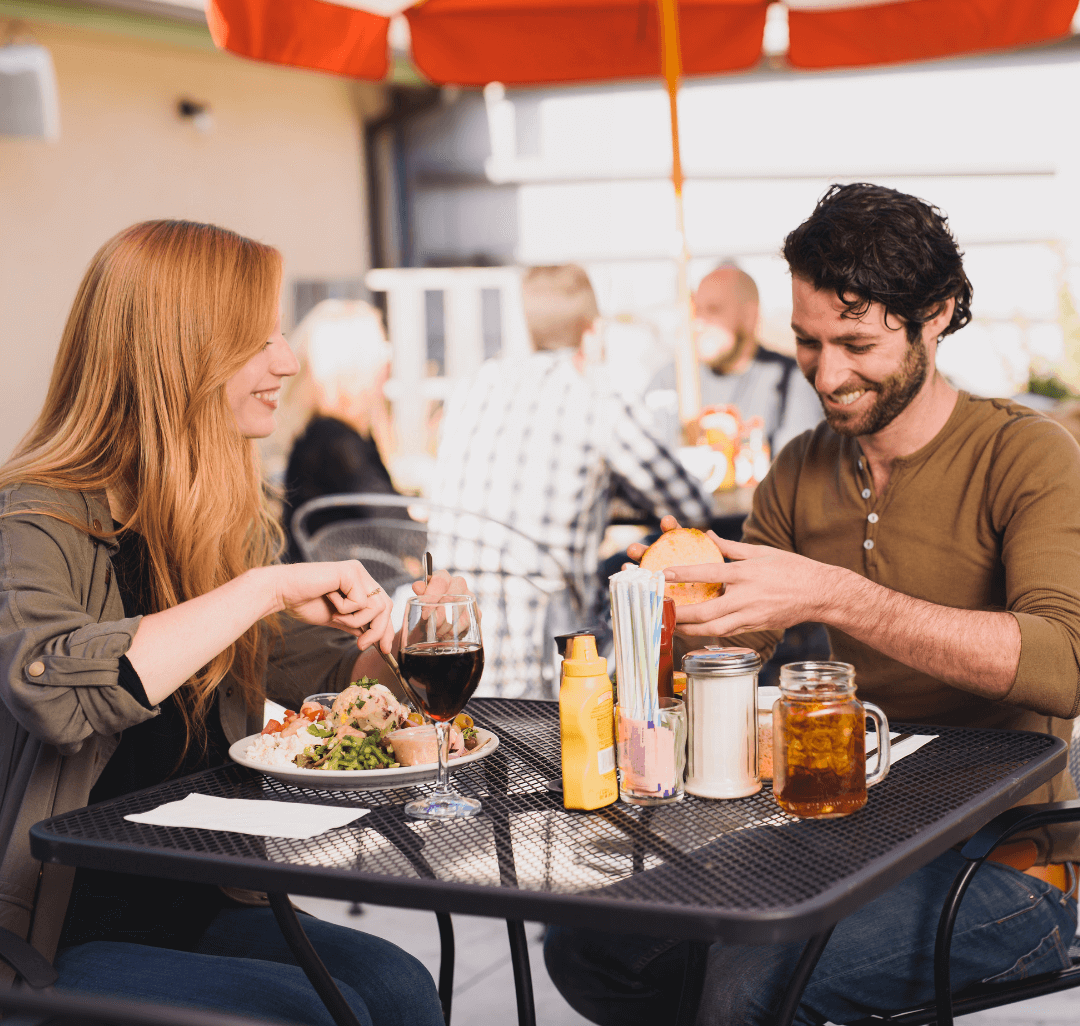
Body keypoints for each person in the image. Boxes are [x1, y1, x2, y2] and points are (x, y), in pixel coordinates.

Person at [545, 184, 1080, 1025]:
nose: (828, 375)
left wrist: (839, 595)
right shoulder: (799, 466)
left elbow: (1065, 664)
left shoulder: (1029, 456)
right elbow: (730, 651)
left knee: (748, 980)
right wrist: (677, 615)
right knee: (593, 943)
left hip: (1008, 860)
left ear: (935, 316)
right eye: (806, 342)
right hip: (839, 832)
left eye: (857, 343)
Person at [0, 220, 454, 1026]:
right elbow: (55, 693)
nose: (286, 360)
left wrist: (404, 644)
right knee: (321, 1013)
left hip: (205, 894)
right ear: (175, 355)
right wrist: (260, 588)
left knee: (401, 991)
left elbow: (320, 679)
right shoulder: (33, 522)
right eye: (257, 338)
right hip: (54, 927)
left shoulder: (214, 522)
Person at [428, 264, 712, 698]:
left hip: (452, 654)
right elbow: (691, 507)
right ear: (591, 330)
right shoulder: (597, 397)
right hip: (545, 668)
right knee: (643, 581)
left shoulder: (473, 387)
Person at [274, 299, 403, 562]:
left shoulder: (324, 433)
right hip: (337, 592)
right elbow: (398, 530)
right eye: (380, 349)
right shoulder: (336, 443)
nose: (387, 359)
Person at [646, 263, 822, 455]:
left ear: (749, 316)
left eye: (713, 309)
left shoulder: (791, 380)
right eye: (696, 310)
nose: (698, 322)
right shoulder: (669, 380)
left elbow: (797, 466)